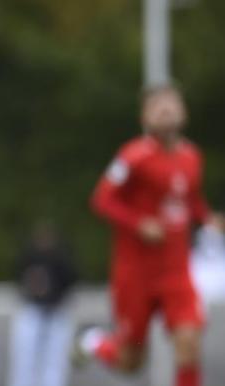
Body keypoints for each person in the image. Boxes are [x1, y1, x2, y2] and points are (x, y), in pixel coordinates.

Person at [79, 85, 220, 386]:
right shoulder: (132, 157)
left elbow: (190, 199)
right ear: (145, 116)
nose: (166, 109)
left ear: (184, 111)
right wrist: (139, 222)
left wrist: (208, 219)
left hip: (175, 271)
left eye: (172, 103)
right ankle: (94, 343)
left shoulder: (192, 156)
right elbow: (102, 199)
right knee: (131, 362)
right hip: (136, 274)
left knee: (189, 341)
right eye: (157, 105)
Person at [7, 221, 77, 386]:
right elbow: (20, 281)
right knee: (24, 358)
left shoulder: (61, 260)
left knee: (55, 361)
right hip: (33, 311)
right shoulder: (29, 257)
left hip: (56, 311)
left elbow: (70, 282)